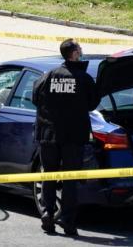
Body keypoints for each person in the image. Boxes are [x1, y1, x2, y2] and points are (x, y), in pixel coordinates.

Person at [32, 38, 99, 236]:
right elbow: (93, 103)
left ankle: (47, 214)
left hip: (48, 135)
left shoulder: (48, 76)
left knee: (49, 176)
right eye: (80, 48)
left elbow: (35, 98)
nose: (82, 51)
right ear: (75, 54)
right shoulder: (83, 78)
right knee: (70, 180)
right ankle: (68, 221)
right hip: (73, 137)